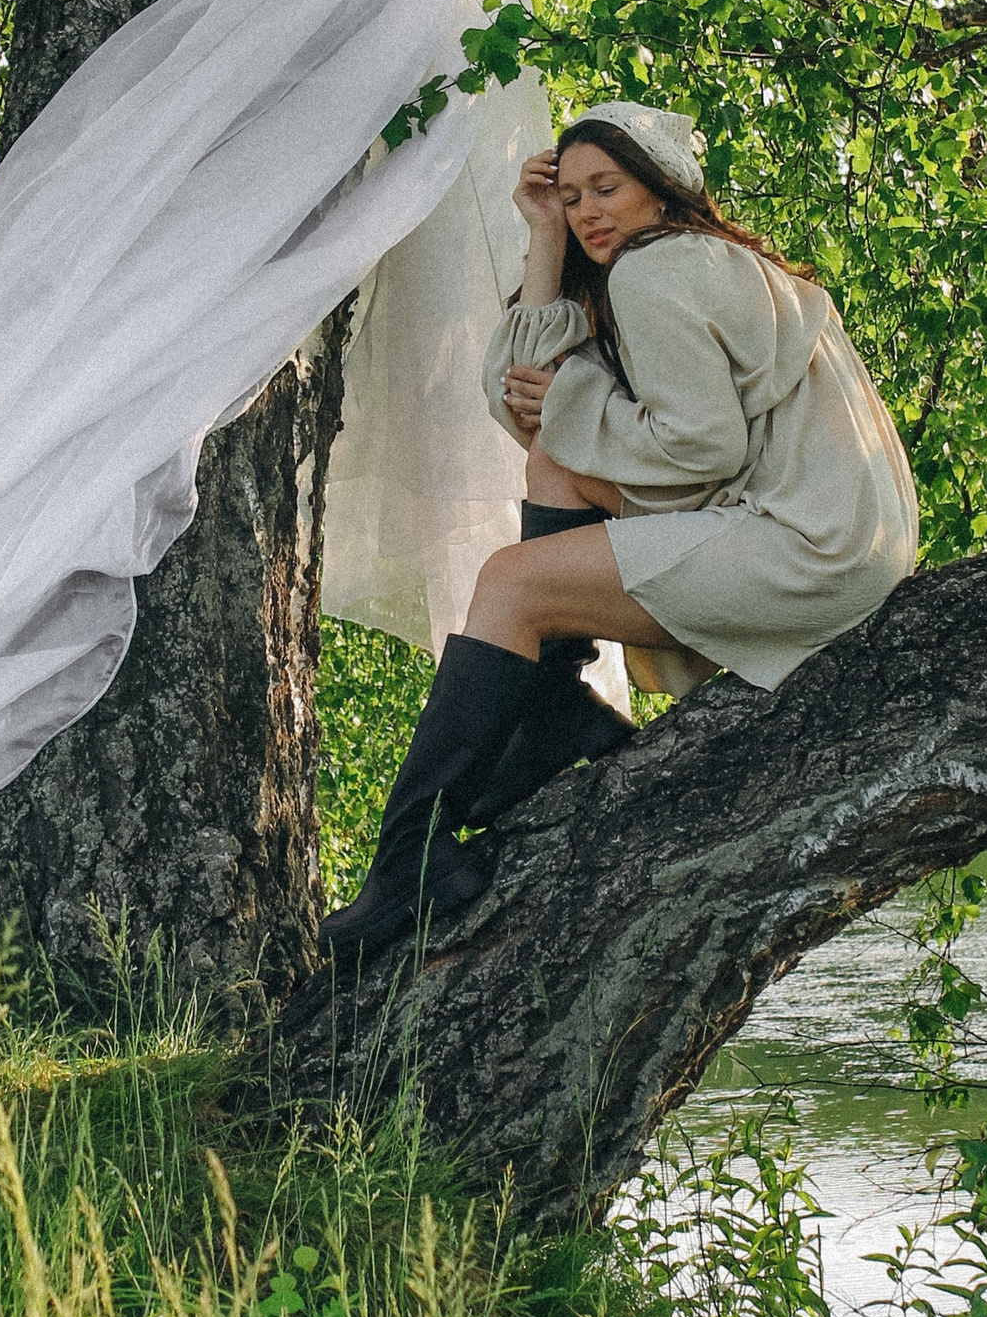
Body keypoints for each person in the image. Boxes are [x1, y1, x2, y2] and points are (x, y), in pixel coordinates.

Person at [320, 99, 919, 961]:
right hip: (839, 537)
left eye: (607, 187)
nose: (588, 209)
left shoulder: (656, 269)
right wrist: (543, 242)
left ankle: (408, 859)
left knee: (510, 583)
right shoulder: (671, 263)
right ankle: (555, 706)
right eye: (570, 195)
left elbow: (699, 444)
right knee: (552, 472)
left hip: (808, 545)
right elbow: (534, 395)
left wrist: (570, 402)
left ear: (660, 186)